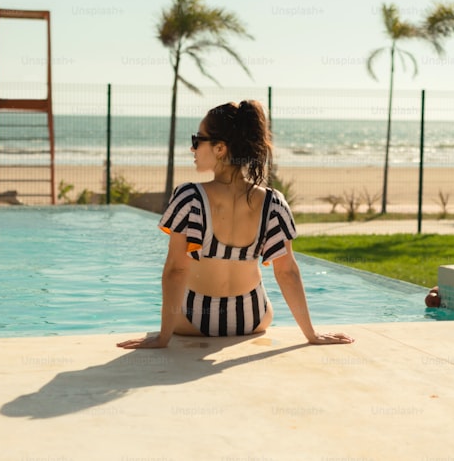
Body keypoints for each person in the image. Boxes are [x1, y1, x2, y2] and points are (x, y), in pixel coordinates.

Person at [117, 100, 354, 348]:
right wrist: (311, 335)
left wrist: (163, 338)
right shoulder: (273, 202)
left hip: (193, 321)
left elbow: (176, 269)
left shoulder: (189, 197)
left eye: (198, 140)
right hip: (253, 318)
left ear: (220, 148)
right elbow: (287, 271)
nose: (192, 148)